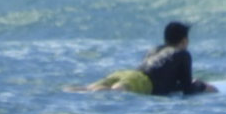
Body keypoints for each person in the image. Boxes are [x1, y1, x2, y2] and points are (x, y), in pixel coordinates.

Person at [85, 21, 218, 95]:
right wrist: (201, 85)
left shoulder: (154, 50)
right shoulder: (183, 54)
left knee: (86, 89)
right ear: (184, 41)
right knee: (111, 92)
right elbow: (187, 89)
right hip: (142, 82)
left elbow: (165, 79)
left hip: (127, 74)